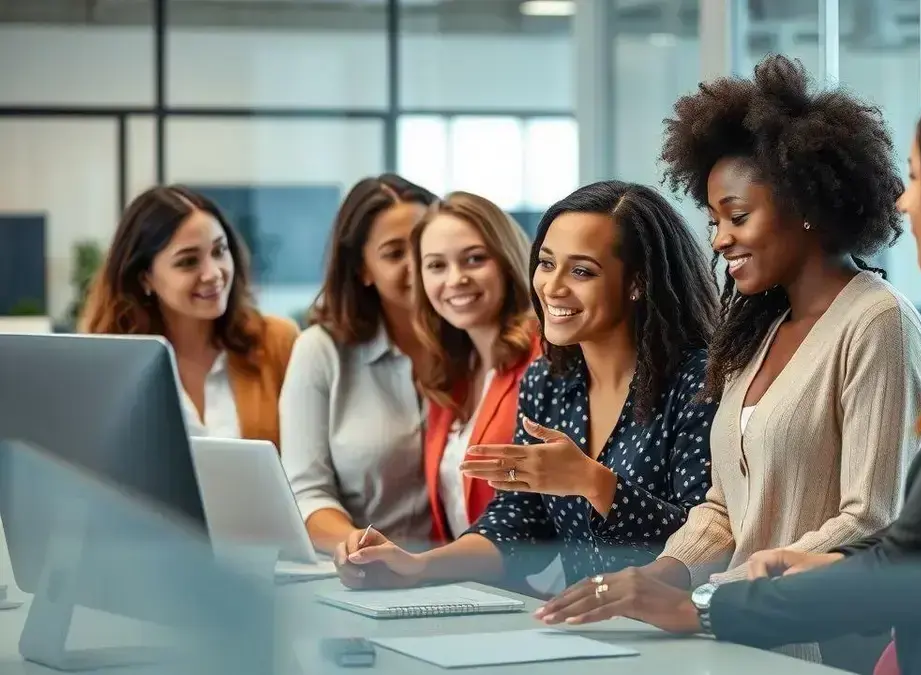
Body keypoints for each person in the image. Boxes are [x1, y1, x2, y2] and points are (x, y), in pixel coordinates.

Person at [534, 60, 921, 675]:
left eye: (920, 176)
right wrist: (807, 569)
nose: (906, 200)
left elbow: (918, 561)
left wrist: (709, 604)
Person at [539, 55, 921, 661]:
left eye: (738, 216)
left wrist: (711, 600)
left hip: (821, 646)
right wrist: (664, 574)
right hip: (739, 639)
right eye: (714, 219)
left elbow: (873, 519)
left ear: (806, 204)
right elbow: (725, 508)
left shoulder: (878, 322)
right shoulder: (756, 331)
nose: (719, 238)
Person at [334, 180, 720, 592]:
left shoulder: (699, 382)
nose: (552, 287)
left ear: (637, 283)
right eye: (547, 263)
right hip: (585, 630)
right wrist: (415, 565)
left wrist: (595, 483)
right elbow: (516, 523)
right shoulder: (548, 382)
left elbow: (708, 542)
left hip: (674, 635)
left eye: (582, 271)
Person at [279, 174, 439, 554]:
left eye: (424, 245)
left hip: (475, 576)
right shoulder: (319, 351)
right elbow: (307, 493)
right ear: (362, 270)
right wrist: (358, 545)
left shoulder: (479, 347)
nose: (417, 265)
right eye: (393, 253)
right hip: (365, 576)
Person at [80, 185, 298, 447]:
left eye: (219, 251)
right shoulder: (114, 363)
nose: (213, 274)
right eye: (188, 262)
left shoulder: (277, 342)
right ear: (145, 278)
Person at [409, 191, 541, 544]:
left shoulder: (547, 357)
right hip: (469, 589)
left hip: (541, 590)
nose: (455, 279)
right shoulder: (447, 373)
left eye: (474, 259)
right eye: (437, 265)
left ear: (507, 260)